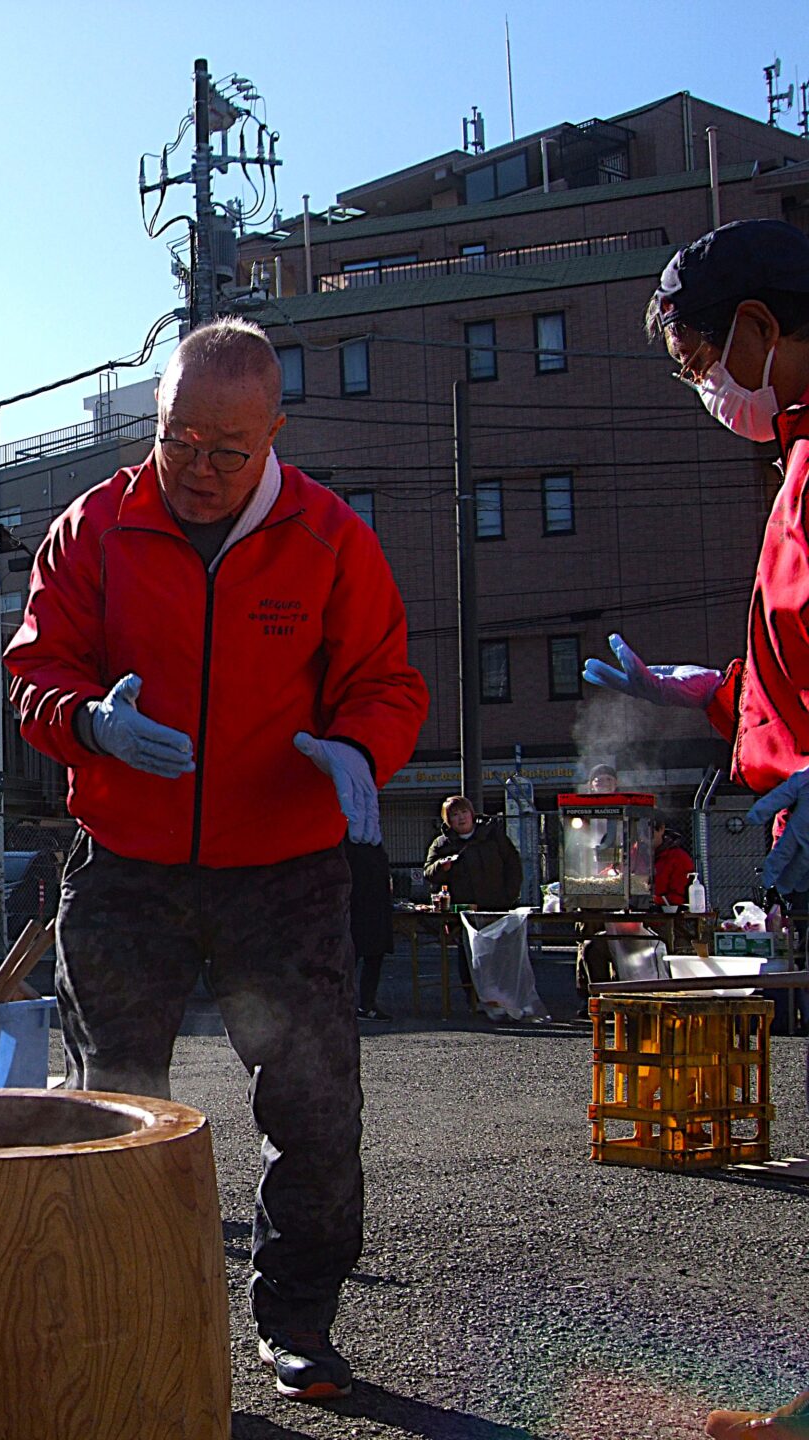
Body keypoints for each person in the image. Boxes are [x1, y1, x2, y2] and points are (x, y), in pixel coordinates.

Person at [2, 316, 428, 1403]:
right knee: (112, 1104)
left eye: (226, 450)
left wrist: (357, 750)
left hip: (284, 871)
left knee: (315, 1108)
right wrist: (88, 724)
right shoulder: (93, 527)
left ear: (274, 434)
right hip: (128, 861)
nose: (196, 469)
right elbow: (33, 675)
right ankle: (118, 1322)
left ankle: (299, 1325)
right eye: (176, 439)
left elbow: (389, 683)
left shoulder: (330, 536)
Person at [577, 218, 809, 1440]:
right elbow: (793, 667)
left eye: (702, 362)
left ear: (763, 332)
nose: (707, 392)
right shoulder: (800, 468)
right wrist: (705, 690)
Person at [422, 797, 522, 911]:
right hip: (459, 911)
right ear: (448, 820)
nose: (461, 817)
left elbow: (513, 863)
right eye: (455, 814)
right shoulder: (441, 844)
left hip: (498, 907)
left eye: (464, 812)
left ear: (472, 814)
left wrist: (509, 895)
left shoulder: (494, 836)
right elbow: (428, 872)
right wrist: (441, 866)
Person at [346, 839, 397, 1021]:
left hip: (372, 907)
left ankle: (365, 1004)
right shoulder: (352, 846)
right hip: (358, 908)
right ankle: (360, 1004)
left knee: (370, 957)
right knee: (354, 958)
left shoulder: (374, 846)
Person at [650, 816, 696, 909]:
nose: (642, 838)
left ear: (661, 829)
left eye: (648, 833)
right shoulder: (633, 853)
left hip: (665, 915)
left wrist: (650, 900)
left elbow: (677, 898)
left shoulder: (678, 858)